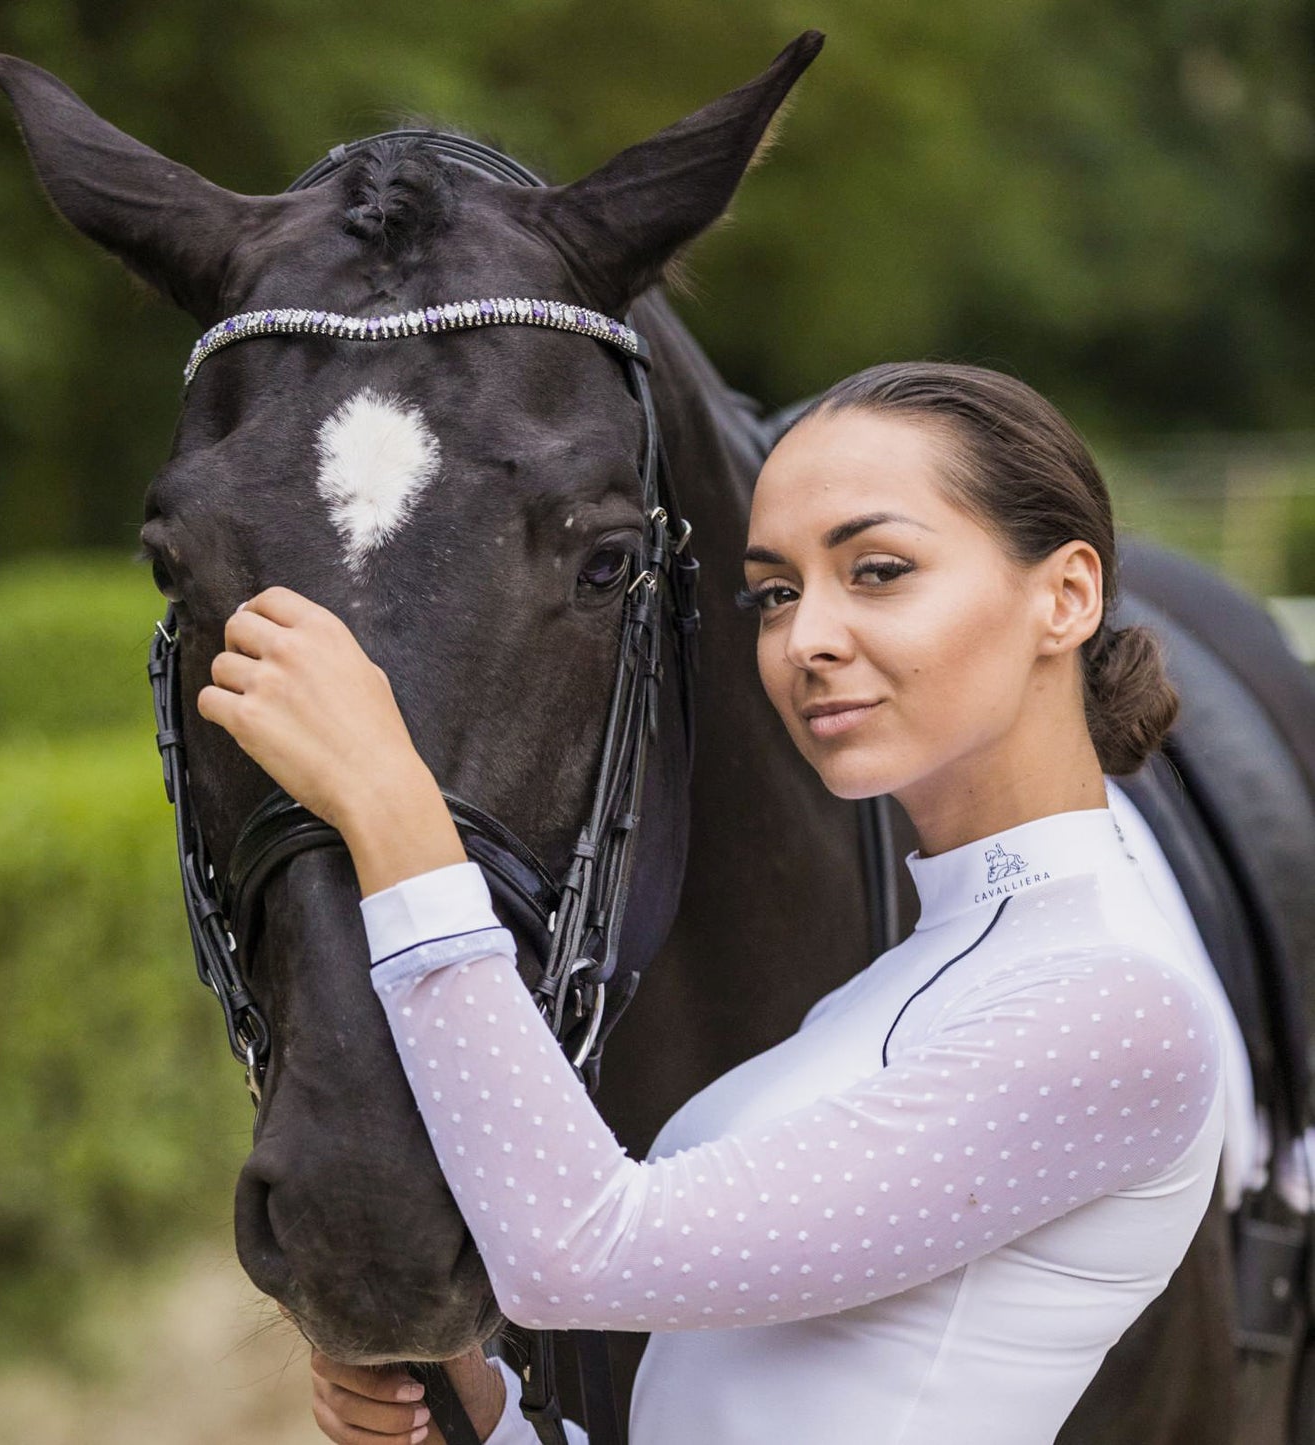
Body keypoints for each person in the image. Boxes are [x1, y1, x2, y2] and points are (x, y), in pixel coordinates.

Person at [197, 362, 1227, 1445]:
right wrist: (483, 1417)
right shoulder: (936, 964)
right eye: (773, 592)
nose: (804, 639)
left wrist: (391, 805)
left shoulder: (1114, 999)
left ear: (1063, 595)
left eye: (875, 569)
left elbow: (578, 1249)